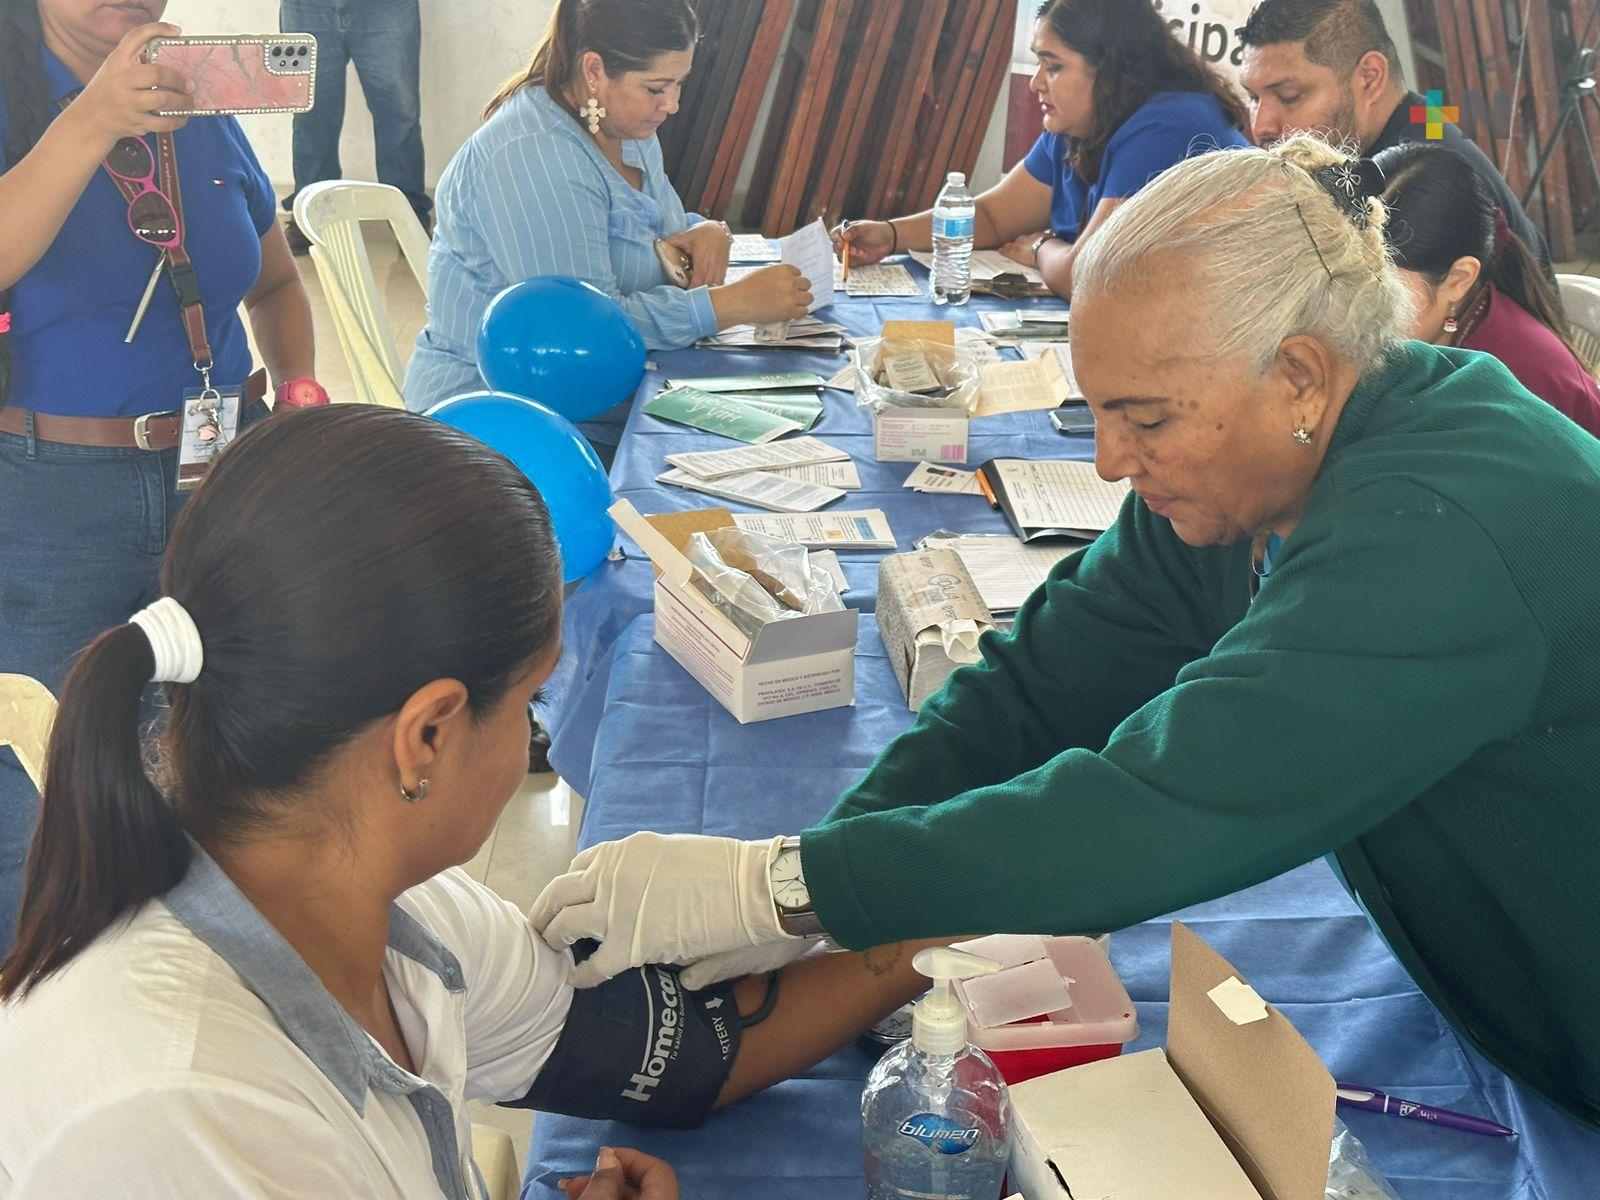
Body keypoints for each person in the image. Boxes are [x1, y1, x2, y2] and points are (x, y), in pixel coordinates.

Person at [533, 135, 1600, 1131]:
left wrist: (786, 886)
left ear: (1301, 376)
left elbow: (1165, 804)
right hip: (1490, 976)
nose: (1109, 464)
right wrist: (807, 891)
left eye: (1147, 418)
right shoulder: (1257, 470)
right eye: (1100, 414)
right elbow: (1034, 690)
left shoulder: (1444, 528)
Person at [0, 405, 946, 1198]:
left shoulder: (388, 912)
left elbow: (673, 1057)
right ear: (428, 734)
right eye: (533, 698)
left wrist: (940, 924)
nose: (534, 732)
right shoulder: (181, 1114)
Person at [0, 1, 318, 958]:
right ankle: (40, 999)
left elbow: (273, 282)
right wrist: (95, 116)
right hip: (54, 493)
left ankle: (199, 975)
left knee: (218, 751)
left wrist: (300, 389)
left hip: (220, 476)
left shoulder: (200, 99)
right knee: (45, 786)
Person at [404, 0, 811, 462]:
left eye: (679, 83)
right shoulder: (538, 156)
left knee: (787, 428)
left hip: (597, 399)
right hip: (502, 425)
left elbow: (652, 232)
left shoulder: (621, 124)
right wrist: (727, 306)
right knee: (733, 462)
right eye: (656, 87)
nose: (672, 104)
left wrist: (709, 230)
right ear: (594, 71)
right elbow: (585, 335)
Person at [832, 0, 1250, 301]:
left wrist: (1038, 249)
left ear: (1112, 68)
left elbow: (1085, 276)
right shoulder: (1081, 122)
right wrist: (890, 234)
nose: (1035, 83)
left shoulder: (1169, 124)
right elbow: (995, 217)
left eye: (1054, 66)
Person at [1239, 0, 1554, 278]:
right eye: (1253, 98)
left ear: (1370, 78)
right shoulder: (1411, 117)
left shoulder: (1417, 183)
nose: (1262, 126)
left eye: (1290, 96)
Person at [1375, 142, 1600, 438]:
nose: (1357, 304)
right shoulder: (1439, 332)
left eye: (1383, 286)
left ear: (1459, 279)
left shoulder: (1517, 384)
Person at [279, 0, 433, 250]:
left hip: (386, 7)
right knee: (311, 113)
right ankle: (312, 214)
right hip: (305, 7)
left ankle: (408, 217)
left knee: (399, 114)